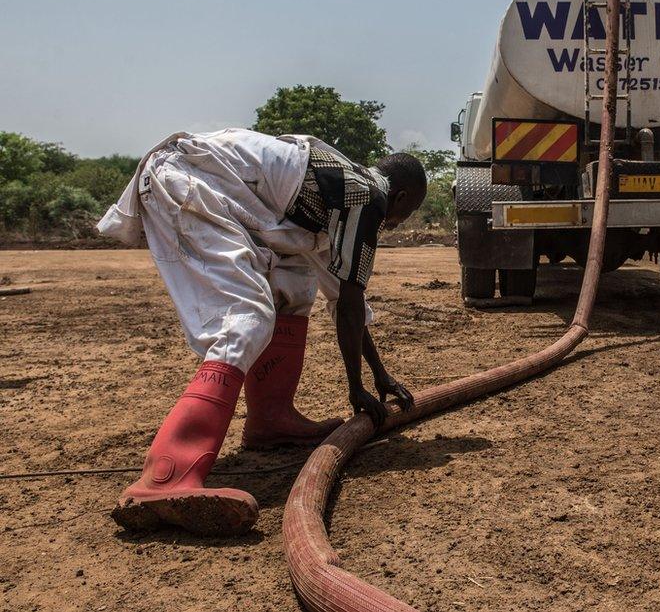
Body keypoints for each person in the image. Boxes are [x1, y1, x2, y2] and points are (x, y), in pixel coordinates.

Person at [97, 128, 427, 536]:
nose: (395, 224)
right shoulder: (365, 197)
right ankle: (167, 475)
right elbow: (350, 301)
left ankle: (271, 419)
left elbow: (344, 300)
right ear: (400, 199)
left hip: (214, 187)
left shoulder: (335, 194)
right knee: (248, 315)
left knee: (293, 286)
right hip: (186, 180)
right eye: (405, 216)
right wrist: (357, 386)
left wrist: (380, 375)